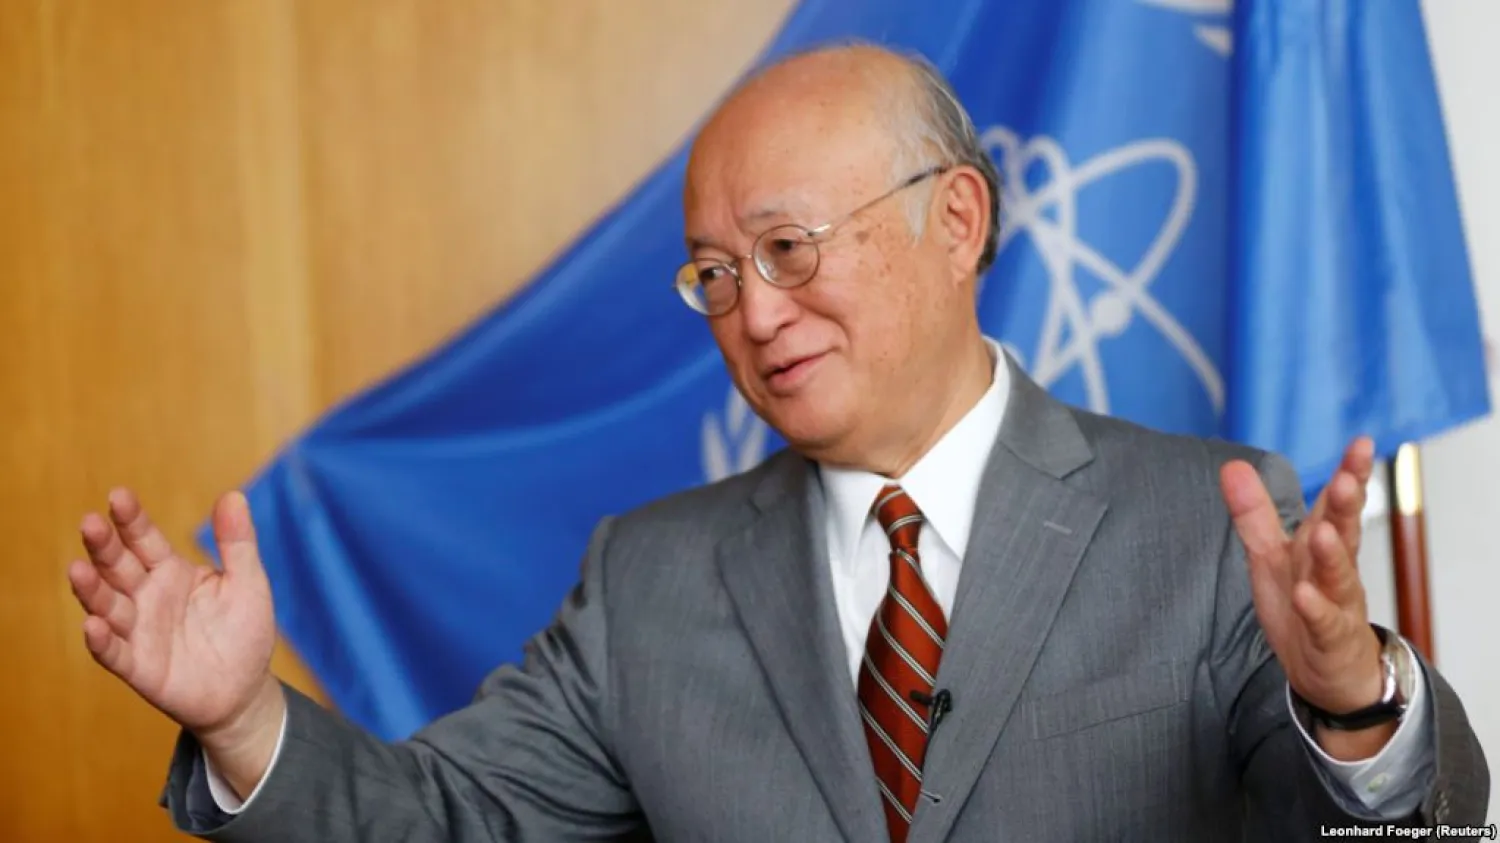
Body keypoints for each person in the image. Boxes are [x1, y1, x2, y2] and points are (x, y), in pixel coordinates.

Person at [67, 44, 1488, 842]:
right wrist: (240, 718)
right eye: (712, 274)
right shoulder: (649, 580)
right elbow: (437, 823)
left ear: (957, 223)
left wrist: (1355, 702)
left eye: (790, 248)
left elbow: (1397, 827)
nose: (752, 310)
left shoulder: (1201, 522)